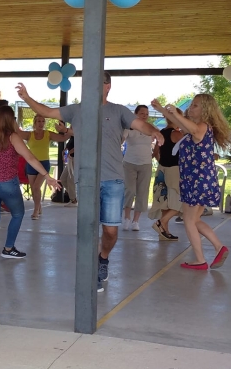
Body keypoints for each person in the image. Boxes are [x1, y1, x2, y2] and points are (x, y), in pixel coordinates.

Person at [16, 72, 165, 292]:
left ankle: (103, 258)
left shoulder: (118, 110)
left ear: (108, 87)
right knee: (88, 229)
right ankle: (92, 272)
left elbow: (142, 125)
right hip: (86, 180)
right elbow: (46, 111)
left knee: (111, 232)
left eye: (98, 84)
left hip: (113, 179)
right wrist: (27, 97)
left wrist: (155, 132)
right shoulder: (76, 109)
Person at [153, 95, 230, 270]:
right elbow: (180, 123)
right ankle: (219, 247)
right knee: (194, 220)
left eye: (195, 106)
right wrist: (162, 110)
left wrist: (175, 113)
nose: (190, 108)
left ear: (205, 110)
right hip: (197, 180)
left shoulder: (202, 127)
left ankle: (200, 259)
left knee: (188, 220)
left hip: (197, 180)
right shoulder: (196, 127)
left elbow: (194, 131)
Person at [0, 106, 61, 264]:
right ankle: (8, 249)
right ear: (11, 120)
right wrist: (47, 176)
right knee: (17, 214)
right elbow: (30, 157)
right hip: (7, 183)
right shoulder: (12, 137)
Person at [17, 115, 69, 219]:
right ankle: (39, 206)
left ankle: (36, 210)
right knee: (33, 188)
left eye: (43, 121)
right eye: (39, 121)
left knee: (36, 187)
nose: (41, 123)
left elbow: (63, 138)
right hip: (31, 164)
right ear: (34, 123)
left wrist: (68, 130)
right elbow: (16, 132)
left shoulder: (47, 134)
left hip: (44, 164)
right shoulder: (29, 135)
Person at [150, 107, 184, 241]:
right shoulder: (177, 134)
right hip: (174, 169)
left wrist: (163, 163)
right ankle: (161, 222)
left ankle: (164, 231)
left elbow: (155, 153)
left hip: (162, 169)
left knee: (165, 201)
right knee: (180, 200)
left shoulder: (161, 132)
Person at [121, 105, 156, 231]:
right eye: (142, 113)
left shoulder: (150, 128)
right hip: (129, 163)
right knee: (129, 190)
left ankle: (136, 220)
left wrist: (155, 154)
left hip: (145, 164)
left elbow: (158, 141)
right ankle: (126, 218)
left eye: (146, 113)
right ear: (135, 114)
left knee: (142, 192)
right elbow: (121, 140)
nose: (144, 116)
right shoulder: (129, 128)